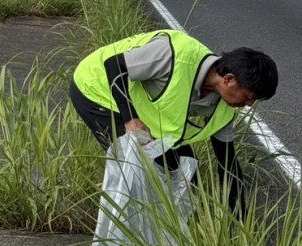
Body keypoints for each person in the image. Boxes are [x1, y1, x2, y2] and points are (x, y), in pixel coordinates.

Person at [69, 30, 278, 210]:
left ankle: (180, 237)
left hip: (138, 109)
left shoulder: (224, 108)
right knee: (139, 171)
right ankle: (128, 240)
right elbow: (114, 65)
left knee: (187, 178)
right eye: (249, 97)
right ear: (229, 79)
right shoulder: (175, 55)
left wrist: (237, 219)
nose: (249, 105)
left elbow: (227, 164)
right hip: (96, 88)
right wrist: (130, 119)